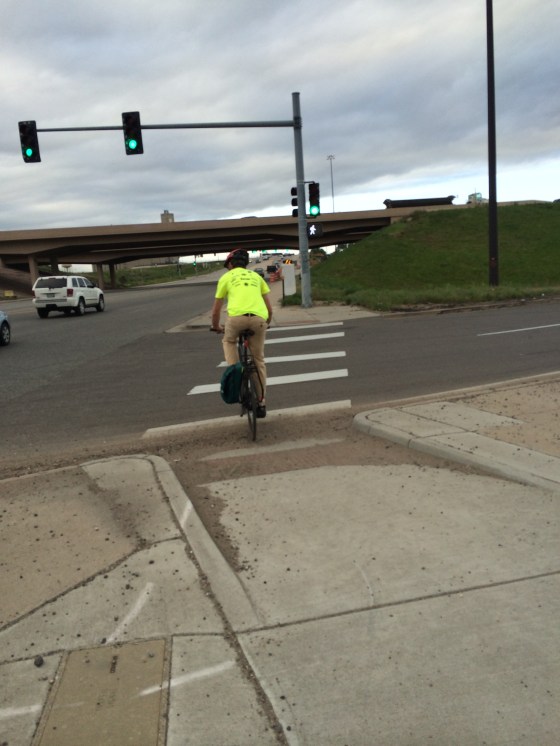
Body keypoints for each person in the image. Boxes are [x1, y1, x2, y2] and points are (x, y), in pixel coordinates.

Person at [211, 249, 272, 418]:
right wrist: (266, 323)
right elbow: (269, 308)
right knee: (258, 360)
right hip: (259, 319)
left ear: (231, 264)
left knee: (229, 341)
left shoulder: (226, 278)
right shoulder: (257, 277)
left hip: (236, 320)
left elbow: (216, 311)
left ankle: (236, 369)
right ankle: (261, 402)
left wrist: (216, 326)